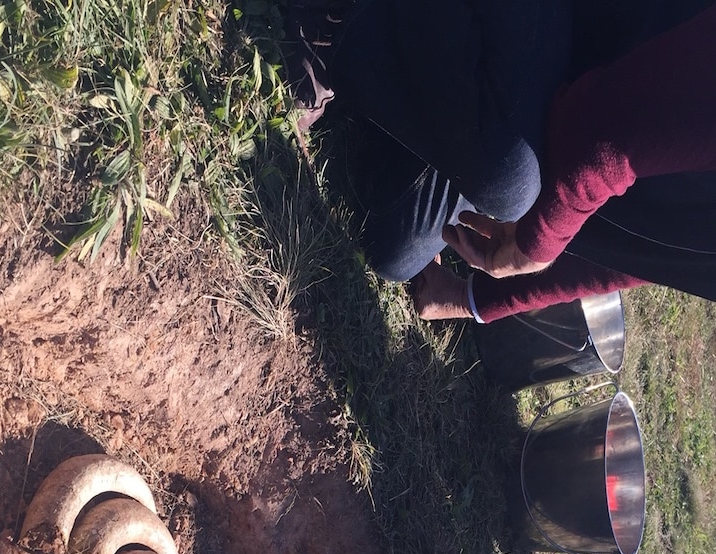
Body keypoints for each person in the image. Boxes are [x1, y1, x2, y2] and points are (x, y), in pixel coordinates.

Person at [289, 0, 716, 323]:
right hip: (571, 39)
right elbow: (606, 127)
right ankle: (341, 26)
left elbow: (637, 259)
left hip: (537, 117)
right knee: (509, 183)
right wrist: (540, 240)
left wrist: (469, 299)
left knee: (395, 251)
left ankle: (390, 51)